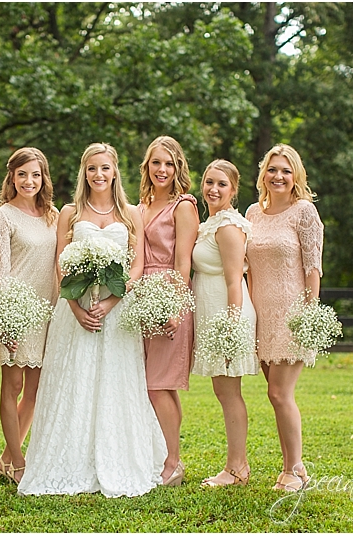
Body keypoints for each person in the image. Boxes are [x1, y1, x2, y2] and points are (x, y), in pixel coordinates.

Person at [18, 143, 166, 498]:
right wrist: (77, 308)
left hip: (117, 313)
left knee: (115, 382)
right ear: (84, 173)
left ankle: (119, 456)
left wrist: (112, 301)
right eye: (91, 169)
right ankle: (69, 459)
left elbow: (137, 265)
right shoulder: (70, 212)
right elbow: (60, 264)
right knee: (75, 380)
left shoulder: (132, 212)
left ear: (115, 171)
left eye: (104, 168)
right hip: (75, 311)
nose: (98, 175)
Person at [245, 144, 323, 492]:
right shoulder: (251, 213)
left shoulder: (303, 212)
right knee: (272, 393)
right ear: (263, 174)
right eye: (273, 170)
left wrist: (309, 313)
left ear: (296, 177)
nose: (278, 176)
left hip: (292, 314)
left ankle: (295, 468)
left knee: (279, 393)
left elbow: (313, 267)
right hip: (260, 315)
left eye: (286, 171)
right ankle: (292, 468)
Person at [0, 147, 59, 484]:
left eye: (35, 174)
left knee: (37, 388)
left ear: (43, 178)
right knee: (12, 386)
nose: (28, 181)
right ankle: (17, 460)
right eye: (22, 175)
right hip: (15, 311)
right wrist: (5, 318)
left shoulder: (53, 216)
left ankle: (6, 457)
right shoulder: (3, 215)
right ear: (12, 178)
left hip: (46, 312)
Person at [191, 159, 259, 487]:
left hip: (227, 313)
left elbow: (235, 281)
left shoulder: (229, 226)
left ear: (233, 189)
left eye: (221, 184)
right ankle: (236, 465)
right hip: (212, 312)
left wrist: (231, 328)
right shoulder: (211, 223)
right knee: (223, 389)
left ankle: (237, 469)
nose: (213, 189)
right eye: (208, 182)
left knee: (229, 392)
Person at [136, 136, 198, 486]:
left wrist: (174, 307)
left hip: (169, 297)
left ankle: (173, 462)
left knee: (159, 385)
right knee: (149, 385)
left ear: (178, 168)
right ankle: (159, 455)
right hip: (139, 298)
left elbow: (183, 263)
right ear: (147, 166)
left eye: (169, 163)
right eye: (156, 163)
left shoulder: (183, 206)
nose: (162, 169)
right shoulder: (140, 205)